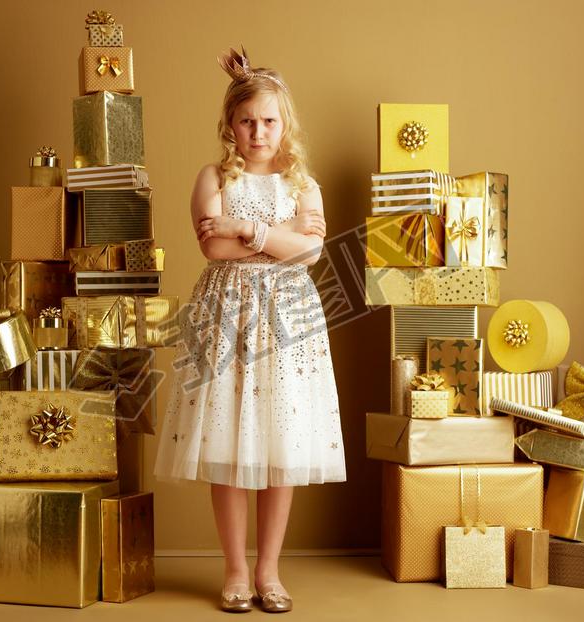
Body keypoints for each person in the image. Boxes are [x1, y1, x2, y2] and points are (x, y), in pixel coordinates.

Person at [154, 47, 346, 613]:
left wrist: (245, 227)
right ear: (230, 125)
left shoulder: (302, 183)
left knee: (281, 440)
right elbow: (213, 246)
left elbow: (310, 252)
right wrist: (274, 235)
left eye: (269, 121)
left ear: (285, 124)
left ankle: (270, 572)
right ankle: (235, 570)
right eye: (247, 121)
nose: (258, 131)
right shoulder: (213, 176)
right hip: (227, 313)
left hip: (289, 318)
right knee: (229, 440)